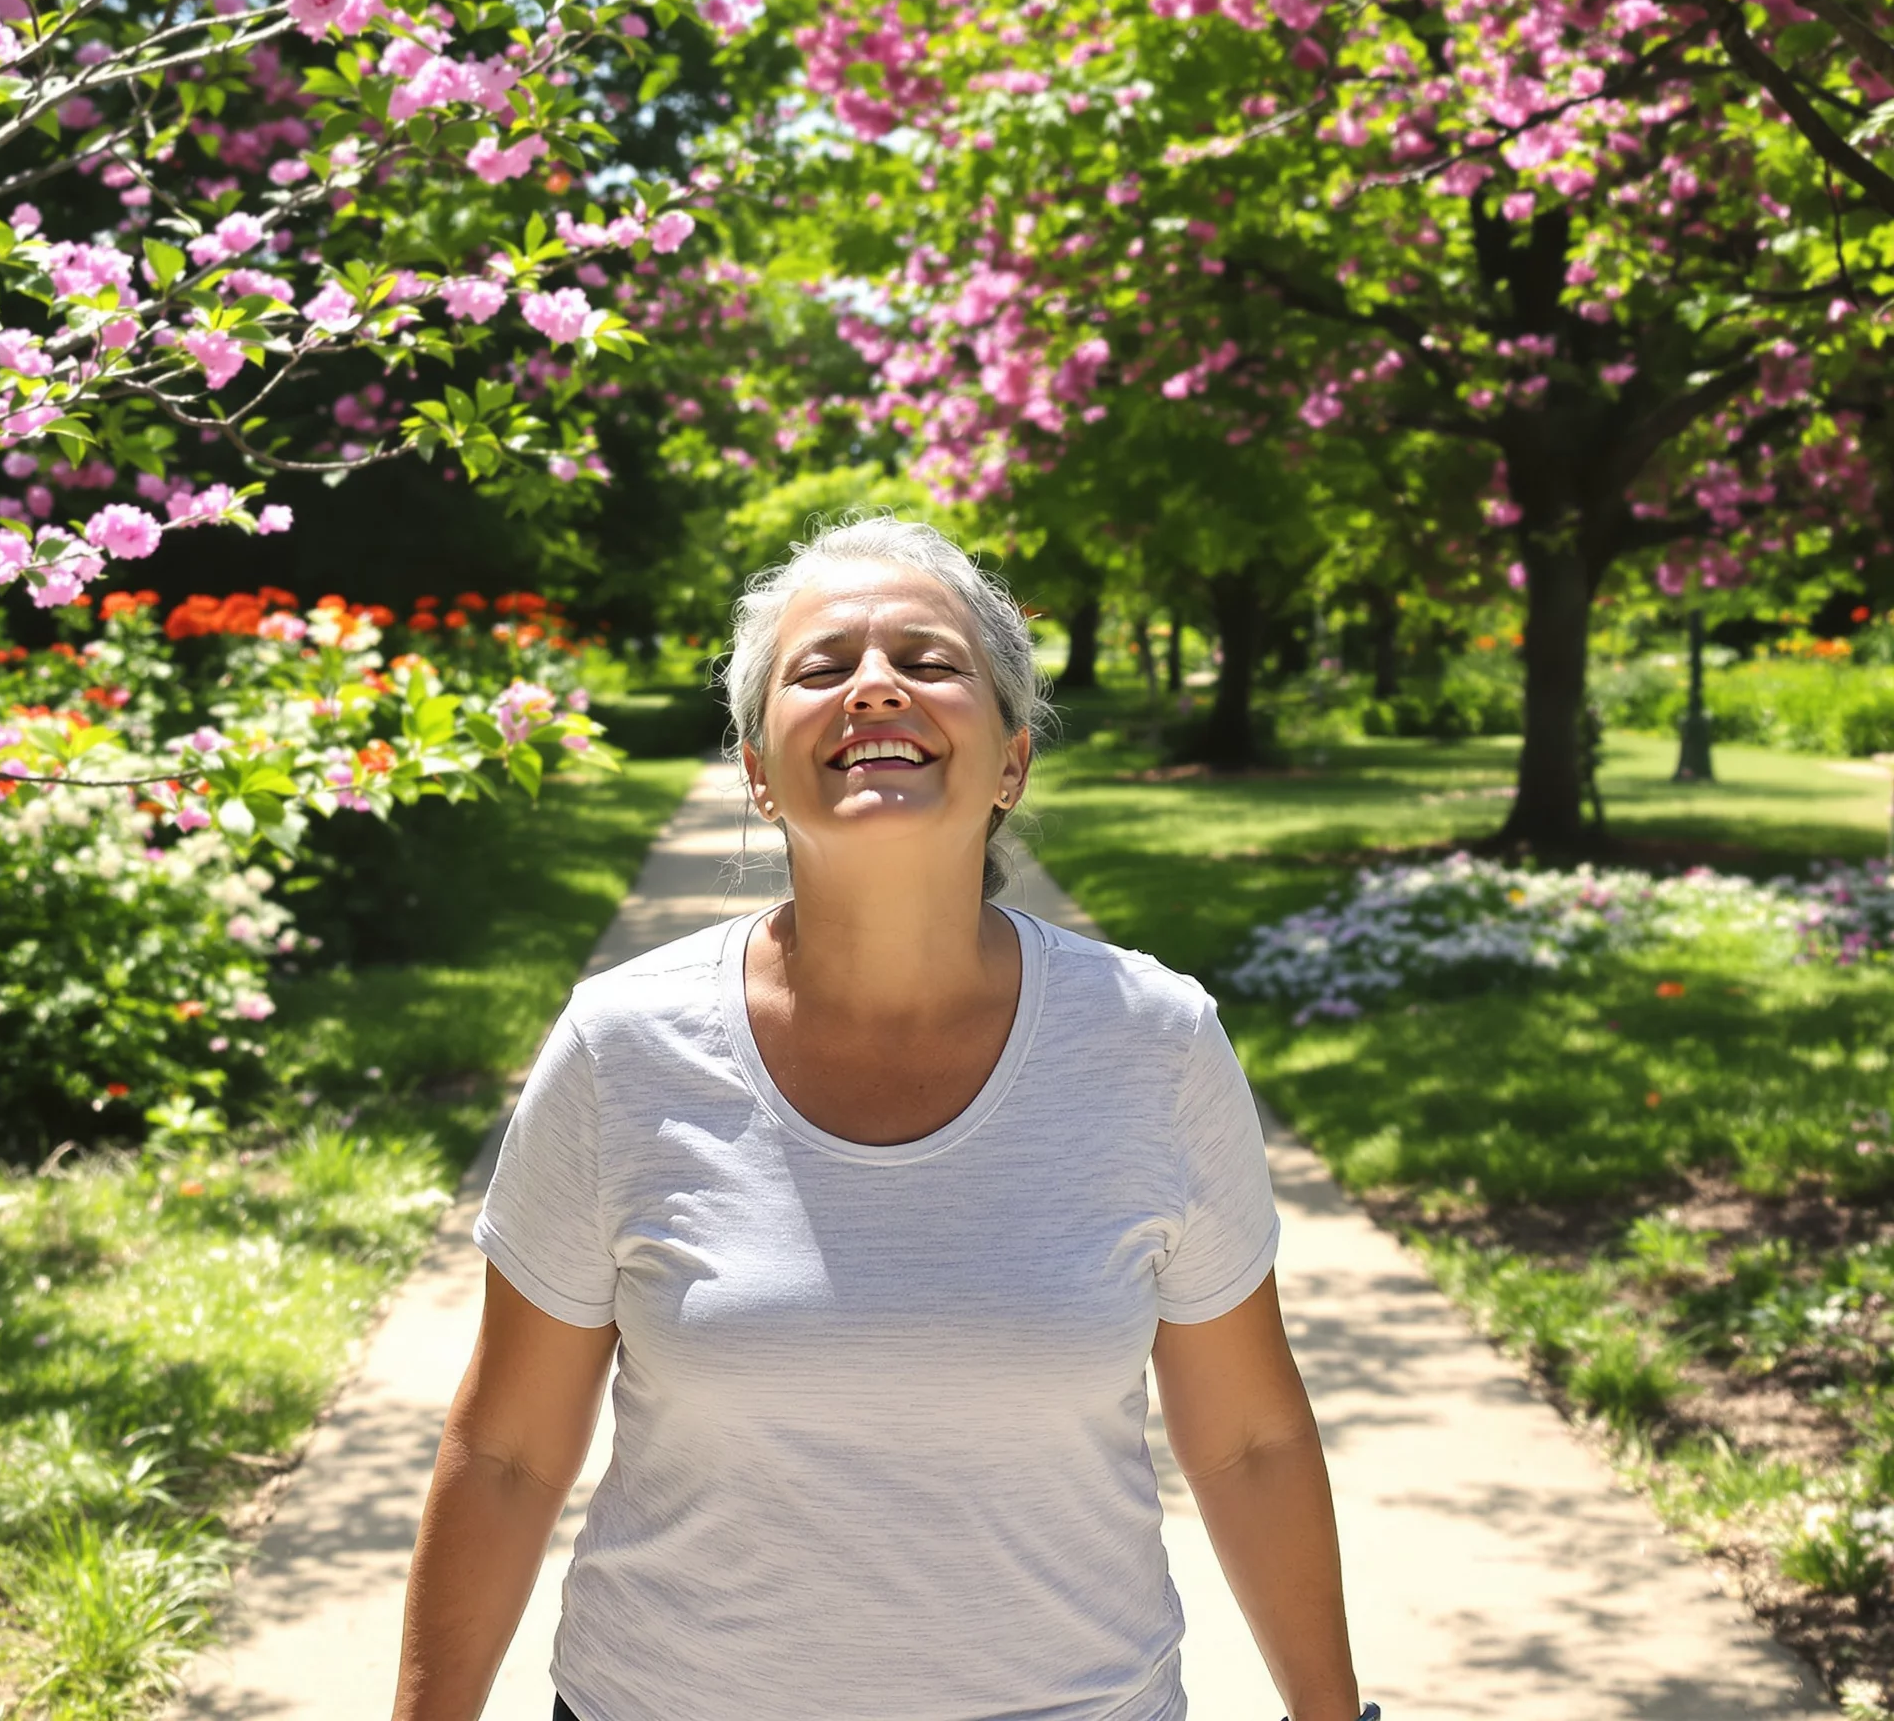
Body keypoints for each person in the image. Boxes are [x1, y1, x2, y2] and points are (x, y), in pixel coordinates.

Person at [392, 517, 1374, 1721]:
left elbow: (1247, 1443)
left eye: (929, 659)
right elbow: (505, 1455)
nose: (873, 686)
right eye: (820, 668)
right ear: (757, 767)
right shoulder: (621, 1046)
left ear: (1008, 762)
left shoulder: (1153, 1041)